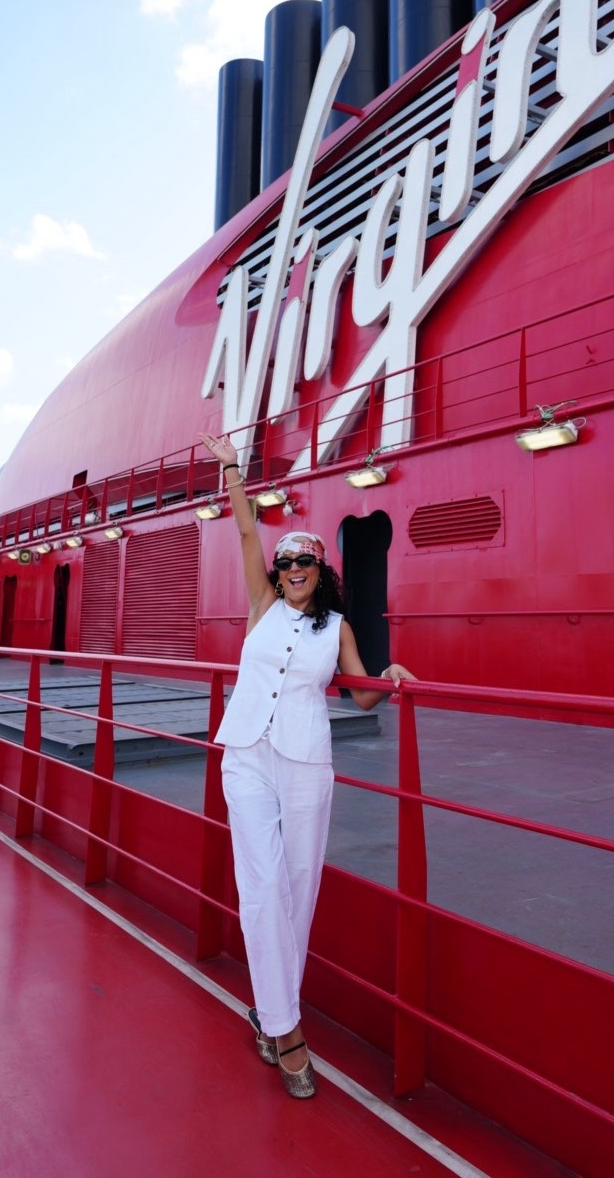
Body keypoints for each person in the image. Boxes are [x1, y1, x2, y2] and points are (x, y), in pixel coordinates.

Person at [199, 431, 414, 1099]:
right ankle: (288, 1033)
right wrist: (235, 473)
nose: (292, 568)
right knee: (261, 884)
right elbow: (243, 534)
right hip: (247, 756)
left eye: (305, 563)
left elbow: (357, 692)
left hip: (306, 764)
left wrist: (392, 676)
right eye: (286, 560)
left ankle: (271, 1014)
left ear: (322, 572)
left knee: (298, 885)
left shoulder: (337, 630)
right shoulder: (261, 607)